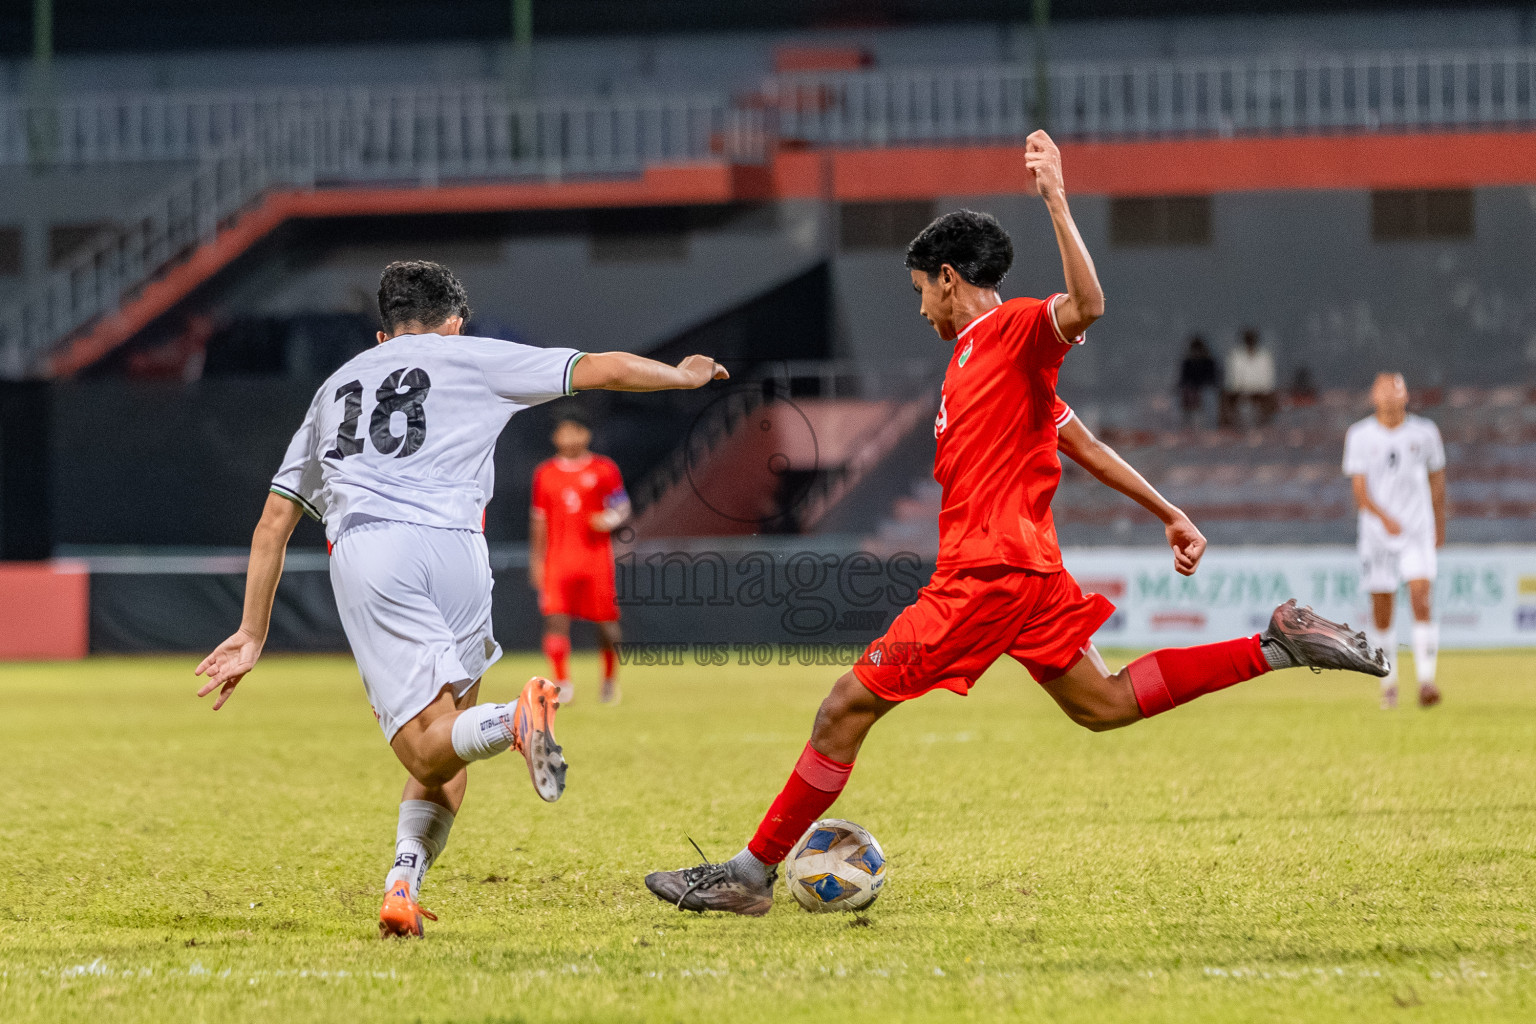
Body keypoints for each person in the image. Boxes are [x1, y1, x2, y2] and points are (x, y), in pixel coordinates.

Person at [643, 131, 1387, 916]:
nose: (919, 305)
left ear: (948, 278)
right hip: (1029, 575)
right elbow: (1085, 444)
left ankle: (749, 873)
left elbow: (1089, 306)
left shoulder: (1011, 332)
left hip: (986, 576)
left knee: (843, 708)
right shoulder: (982, 362)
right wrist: (1169, 512)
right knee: (1102, 704)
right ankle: (1276, 644)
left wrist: (1057, 201)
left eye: (920, 291)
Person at [194, 260, 727, 937]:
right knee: (447, 748)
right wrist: (679, 376)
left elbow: (275, 521)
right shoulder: (474, 356)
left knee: (423, 749)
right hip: (461, 556)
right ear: (453, 324)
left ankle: (515, 722)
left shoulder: (334, 388)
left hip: (377, 551)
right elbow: (599, 368)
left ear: (385, 336)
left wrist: (251, 632)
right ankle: (402, 885)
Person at [1343, 372, 1448, 710]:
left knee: (1420, 598)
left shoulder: (1425, 432)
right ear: (1373, 396)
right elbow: (1359, 490)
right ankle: (1388, 683)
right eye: (1383, 389)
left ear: (1406, 395)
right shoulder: (1359, 435)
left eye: (1396, 388)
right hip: (1377, 536)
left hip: (1417, 531)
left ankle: (1427, 681)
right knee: (1382, 610)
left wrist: (1439, 524)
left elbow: (1437, 480)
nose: (1389, 395)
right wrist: (1384, 517)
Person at [530, 416, 630, 705]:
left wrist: (610, 519)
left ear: (586, 434)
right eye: (564, 431)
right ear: (555, 436)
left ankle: (610, 681)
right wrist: (537, 561)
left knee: (607, 625)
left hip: (596, 559)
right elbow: (539, 521)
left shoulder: (603, 468)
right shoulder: (545, 473)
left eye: (576, 430)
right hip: (558, 560)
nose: (570, 437)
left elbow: (622, 506)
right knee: (556, 621)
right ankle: (562, 684)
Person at [1220, 328, 1277, 428]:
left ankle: (1266, 424)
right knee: (1224, 397)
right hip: (1239, 390)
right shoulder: (1236, 355)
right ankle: (1228, 426)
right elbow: (1232, 376)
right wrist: (1239, 390)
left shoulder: (1264, 355)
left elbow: (1268, 377)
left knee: (1272, 398)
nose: (1250, 342)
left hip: (1260, 390)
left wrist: (1263, 389)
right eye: (1248, 339)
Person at [1176, 336, 1218, 426]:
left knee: (1203, 396)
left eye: (1199, 349)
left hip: (1205, 389)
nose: (1197, 352)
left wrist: (1202, 386)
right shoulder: (1187, 362)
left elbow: (1212, 378)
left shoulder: (1209, 362)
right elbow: (1183, 379)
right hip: (1192, 389)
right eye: (1195, 350)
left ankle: (1205, 425)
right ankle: (1187, 424)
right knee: (1187, 395)